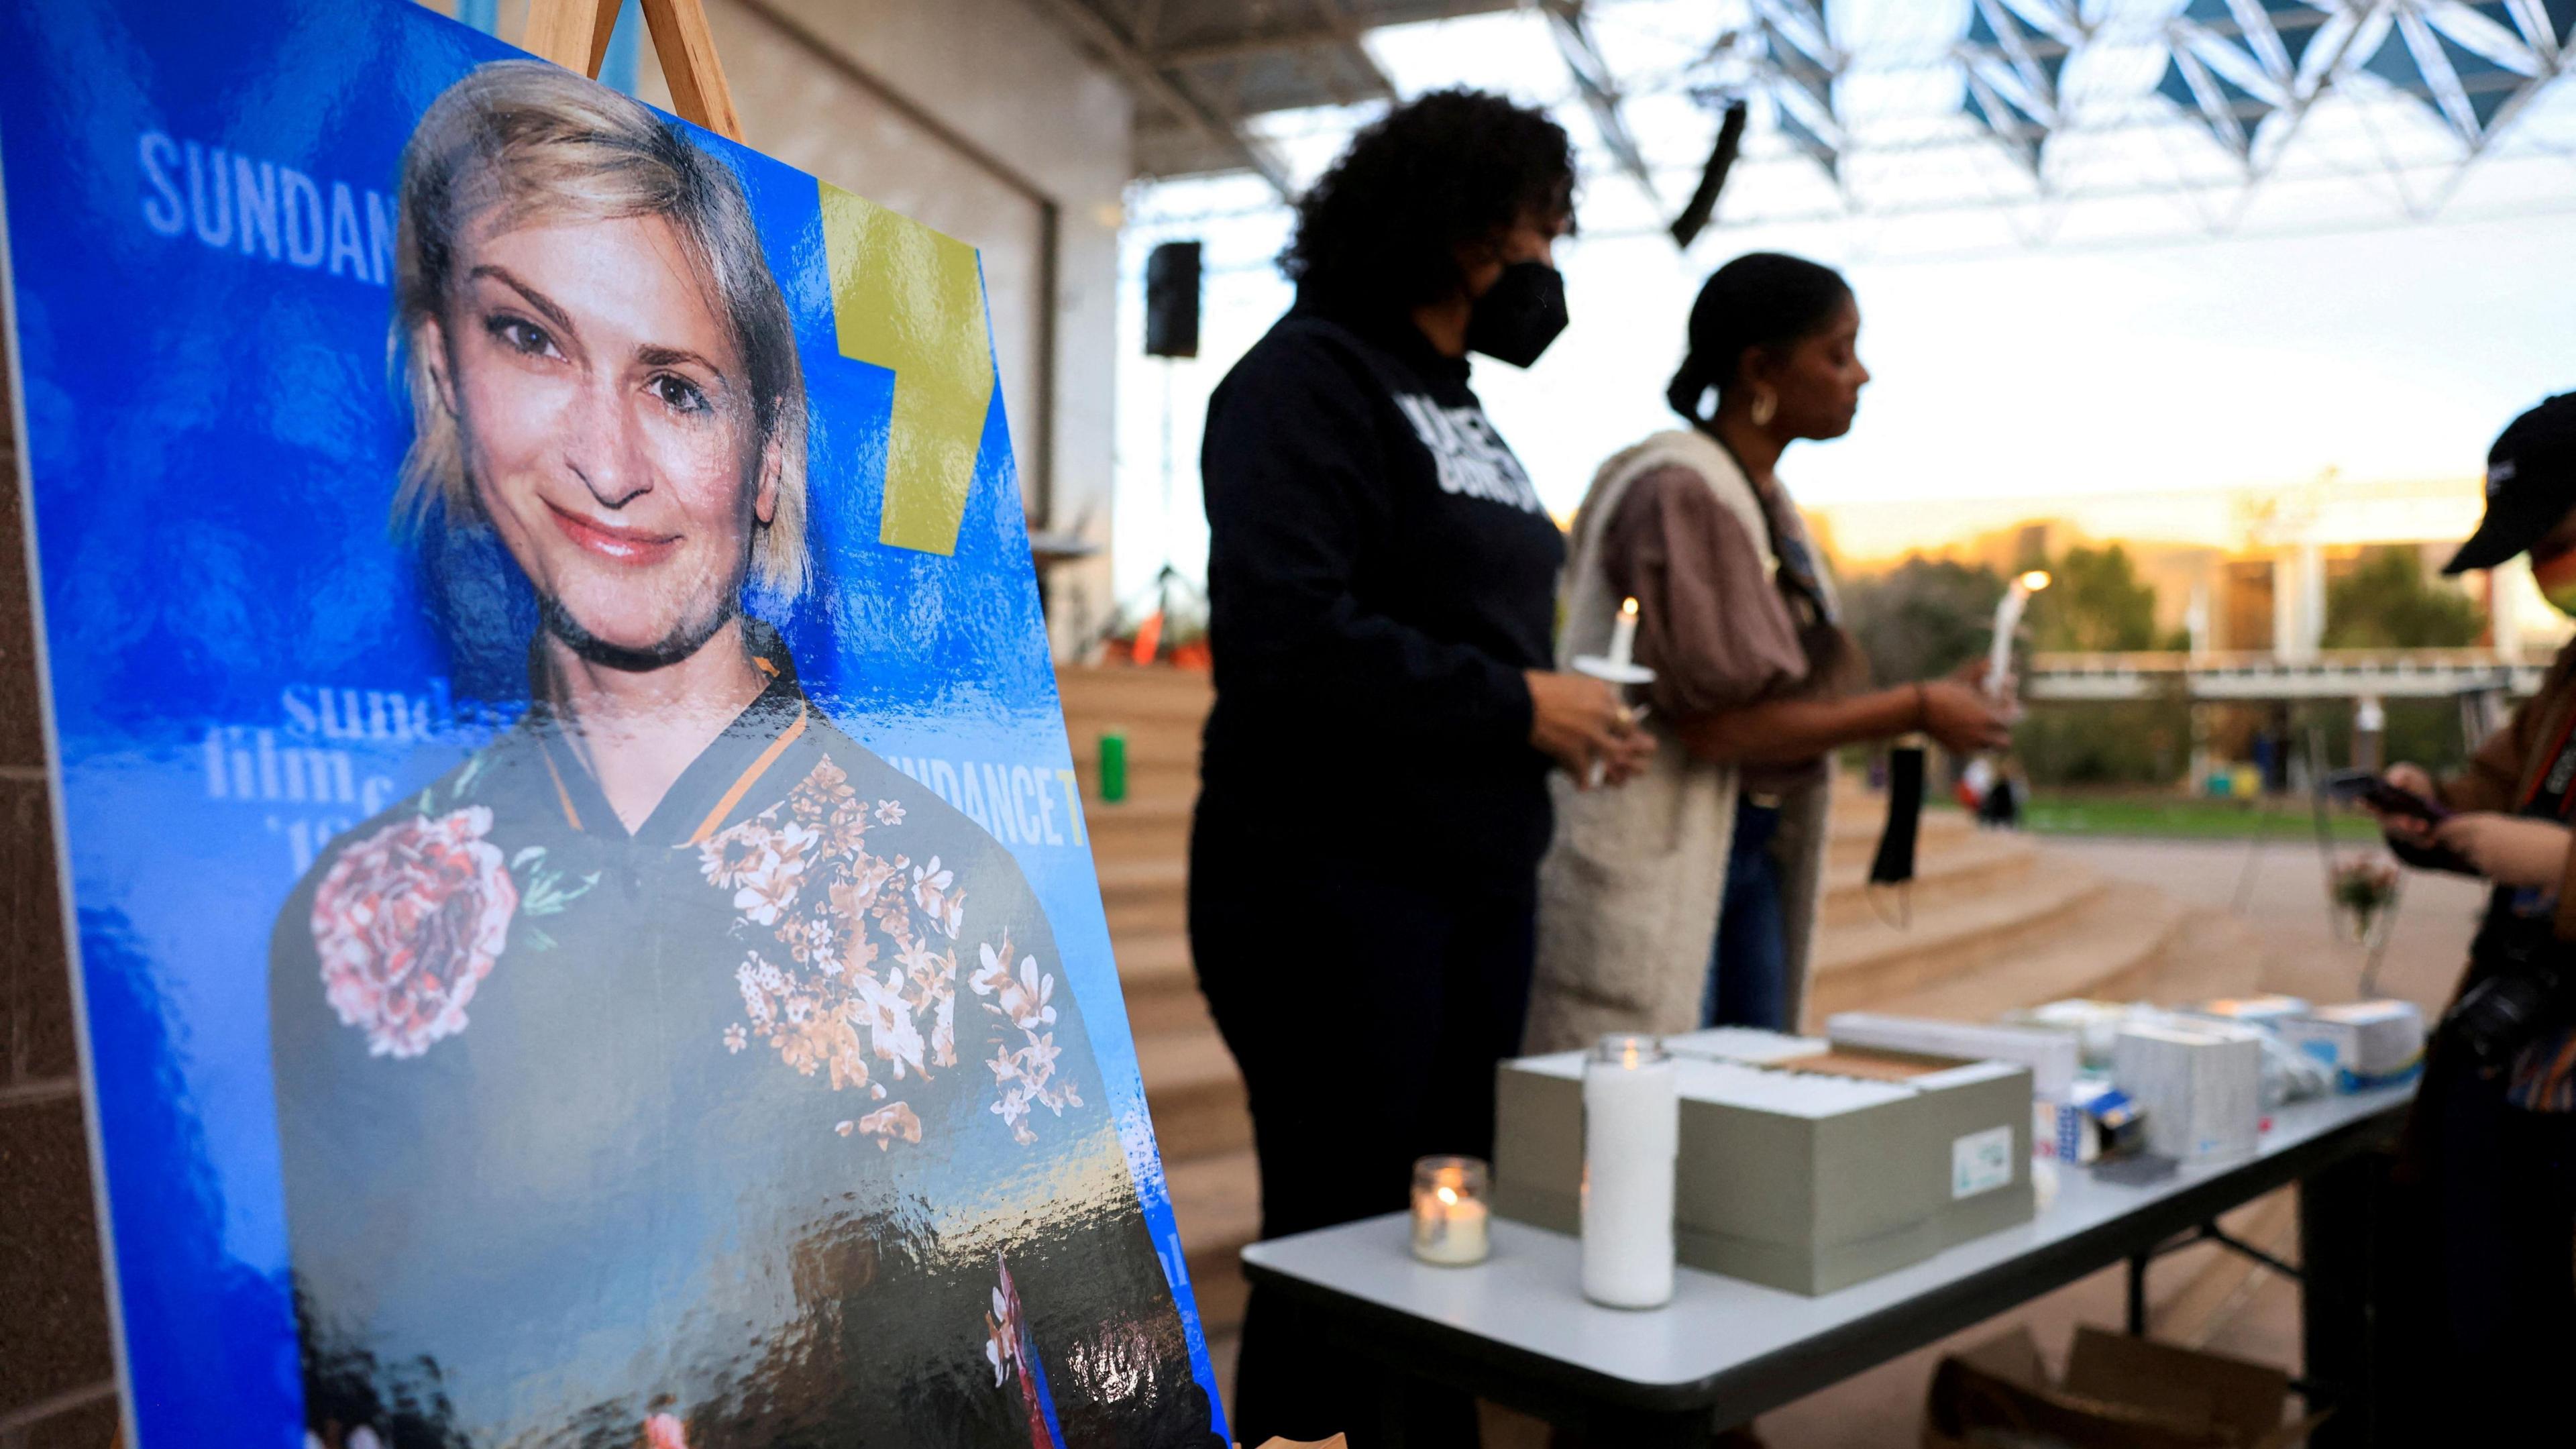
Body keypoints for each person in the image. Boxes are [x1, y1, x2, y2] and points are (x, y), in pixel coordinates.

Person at [267, 63, 1220, 1448]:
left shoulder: (942, 901)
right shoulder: (357, 926)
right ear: (442, 377)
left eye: (677, 388)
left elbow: (1131, 1404)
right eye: (531, 339)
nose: (606, 458)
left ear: (767, 456)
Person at [1189, 89, 1648, 1448]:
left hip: (1473, 888)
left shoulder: (1459, 403)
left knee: (1444, 1238)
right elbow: (1287, 635)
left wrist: (1563, 717)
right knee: (1342, 1248)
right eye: (1539, 229)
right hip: (1329, 890)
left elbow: (1467, 614)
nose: (1552, 262)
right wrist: (1518, 704)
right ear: (1451, 226)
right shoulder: (1303, 382)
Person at [1527, 253, 2013, 1052]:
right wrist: (1918, 708)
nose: (1861, 375)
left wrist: (1941, 692)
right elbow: (1719, 729)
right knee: (1663, 1118)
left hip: (1743, 856)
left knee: (1739, 1115)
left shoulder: (1763, 502)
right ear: (1761, 367)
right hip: (1667, 861)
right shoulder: (1679, 491)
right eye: (1837, 351)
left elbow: (1777, 702)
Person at [2369, 392, 2576, 1436]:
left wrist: (2563, 864)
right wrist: (2434, 815)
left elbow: (2546, 845)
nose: (2550, 577)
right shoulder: (2569, 678)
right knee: (2480, 1353)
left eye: (2564, 543)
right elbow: (2495, 797)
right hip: (2511, 1064)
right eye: (2535, 554)